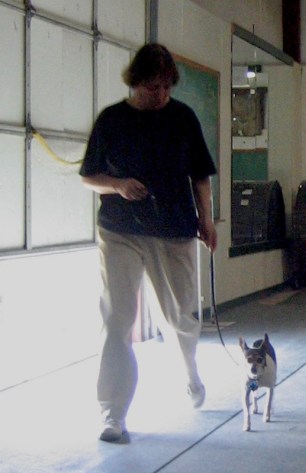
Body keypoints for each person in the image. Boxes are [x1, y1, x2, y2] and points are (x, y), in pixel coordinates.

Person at [80, 43, 217, 442]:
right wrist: (118, 185)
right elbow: (89, 176)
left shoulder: (183, 118)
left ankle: (190, 373)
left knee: (180, 317)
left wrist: (206, 221)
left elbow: (201, 178)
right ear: (135, 82)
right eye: (151, 87)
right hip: (121, 230)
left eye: (165, 88)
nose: (159, 95)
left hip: (174, 229)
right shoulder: (111, 120)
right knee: (117, 319)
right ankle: (113, 413)